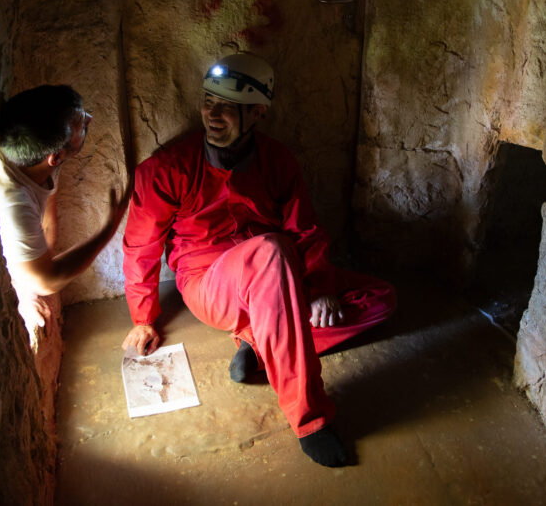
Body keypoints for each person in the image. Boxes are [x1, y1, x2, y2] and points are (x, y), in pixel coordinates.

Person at [121, 53, 397, 467]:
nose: (213, 114)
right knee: (271, 250)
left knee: (380, 296)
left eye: (228, 107)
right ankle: (310, 419)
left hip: (281, 274)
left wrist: (320, 288)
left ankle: (257, 342)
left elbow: (305, 231)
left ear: (258, 113)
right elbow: (140, 246)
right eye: (208, 102)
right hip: (212, 283)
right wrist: (143, 315)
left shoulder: (278, 160)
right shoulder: (165, 169)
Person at [0, 84, 124, 339]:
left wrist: (36, 267)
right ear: (56, 156)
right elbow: (46, 281)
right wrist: (108, 229)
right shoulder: (14, 203)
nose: (90, 120)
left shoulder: (34, 151)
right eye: (81, 126)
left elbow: (47, 223)